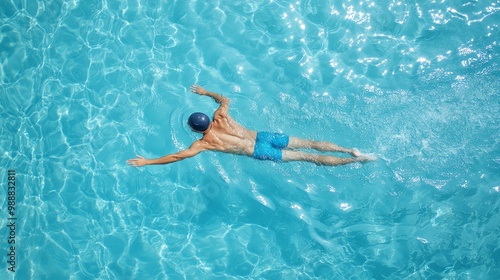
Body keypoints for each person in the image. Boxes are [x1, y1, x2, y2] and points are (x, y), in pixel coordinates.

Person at [127, 85, 375, 167]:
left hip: (258, 152)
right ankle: (349, 150)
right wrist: (205, 92)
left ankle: (355, 161)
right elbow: (225, 99)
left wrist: (148, 161)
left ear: (193, 129)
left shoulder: (204, 143)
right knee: (311, 144)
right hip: (263, 136)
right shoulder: (221, 116)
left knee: (305, 157)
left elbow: (177, 156)